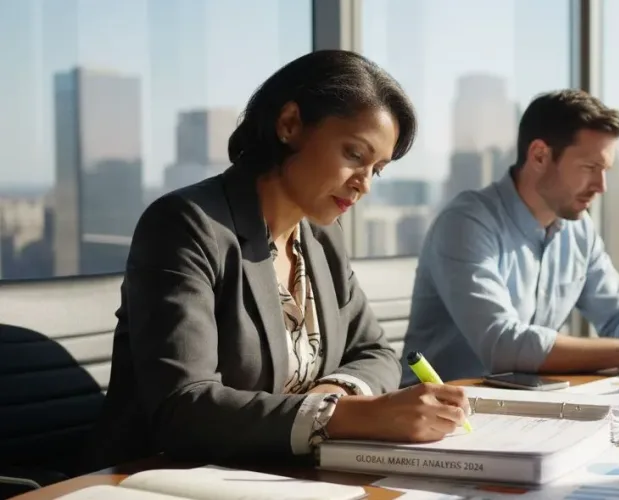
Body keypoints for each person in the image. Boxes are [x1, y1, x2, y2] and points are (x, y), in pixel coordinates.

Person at [90, 50, 468, 470]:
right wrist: (344, 416)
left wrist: (333, 396)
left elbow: (376, 352)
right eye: (354, 155)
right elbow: (185, 407)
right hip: (159, 479)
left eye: (376, 169)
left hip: (286, 475)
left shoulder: (321, 237)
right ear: (289, 125)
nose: (363, 185)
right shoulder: (186, 225)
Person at [401, 89, 619, 384]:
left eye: (605, 171)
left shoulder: (577, 227)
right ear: (539, 155)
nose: (601, 186)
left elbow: (617, 314)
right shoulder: (467, 223)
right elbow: (503, 344)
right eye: (590, 168)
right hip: (442, 419)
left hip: (527, 408)